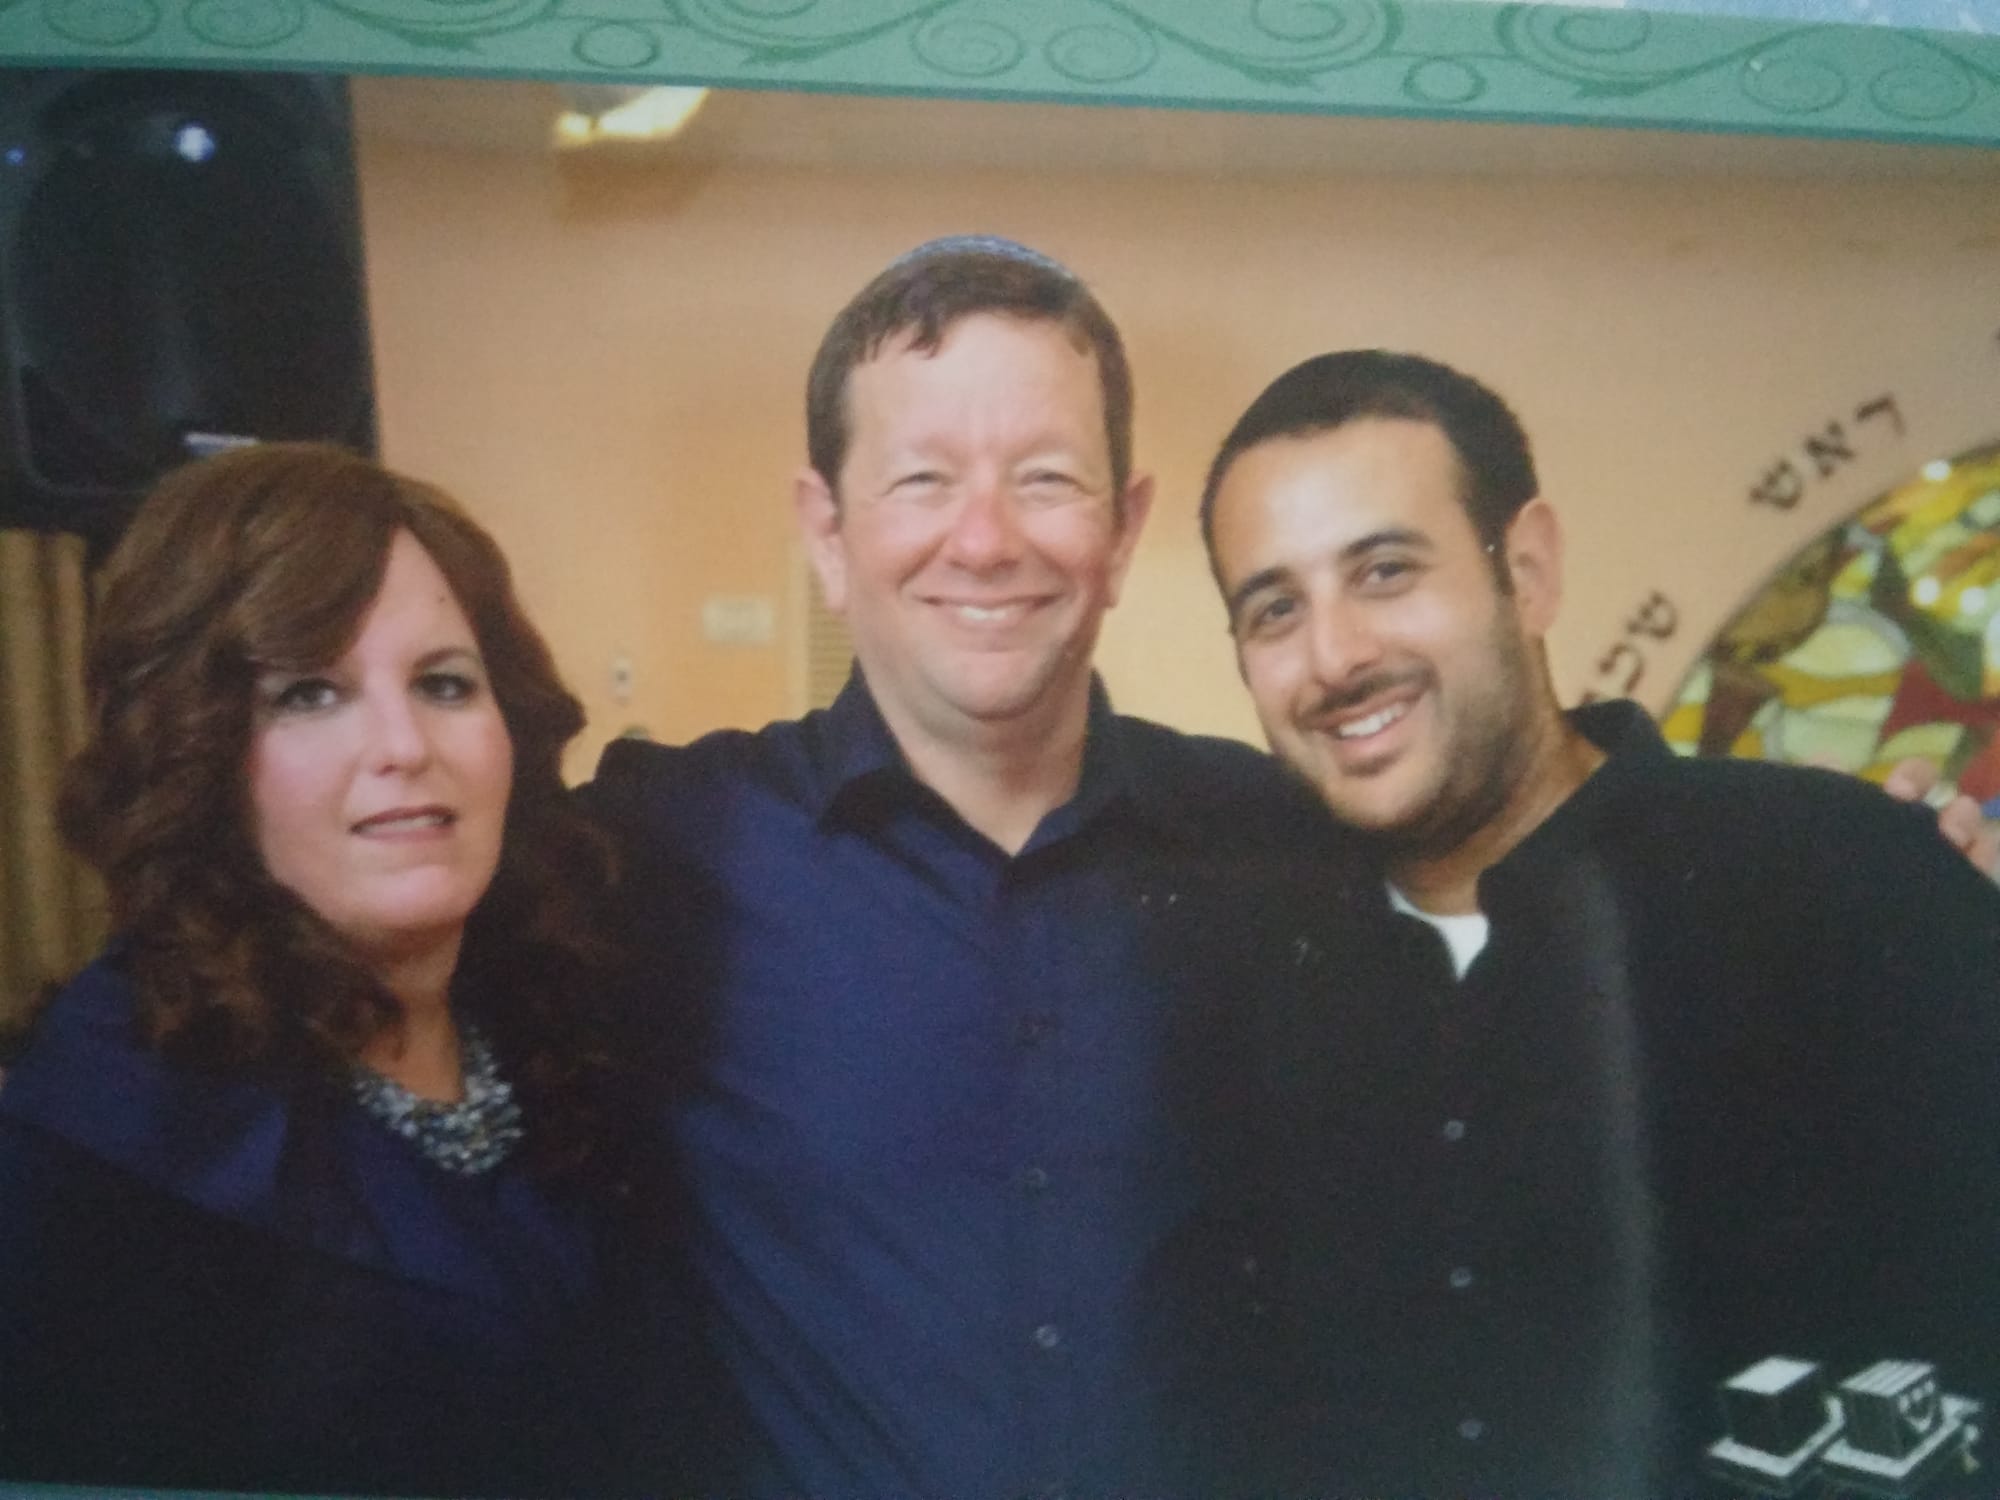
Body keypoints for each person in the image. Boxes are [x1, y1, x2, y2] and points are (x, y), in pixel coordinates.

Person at [584, 236, 1341, 1498]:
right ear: (826, 533)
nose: (984, 541)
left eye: (1044, 479)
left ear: (1122, 530)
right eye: (921, 480)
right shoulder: (666, 843)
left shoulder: (1276, 840)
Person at [1193, 349, 2000, 1497]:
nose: (1334, 657)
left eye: (1383, 571)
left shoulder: (1842, 881)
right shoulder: (1231, 968)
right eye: (1274, 608)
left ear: (1525, 572)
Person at [0, 443, 691, 1497]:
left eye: (444, 684)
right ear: (197, 753)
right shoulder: (102, 1136)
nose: (403, 745)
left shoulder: (566, 1015)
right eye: (311, 694)